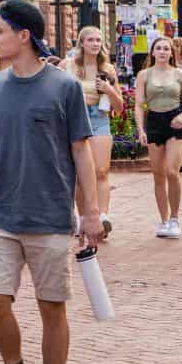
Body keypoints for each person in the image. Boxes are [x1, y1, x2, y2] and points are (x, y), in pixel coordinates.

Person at [0, 0, 101, 364]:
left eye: (0, 31)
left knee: (51, 308)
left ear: (25, 36)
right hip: (1, 211)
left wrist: (92, 212)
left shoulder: (64, 87)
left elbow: (81, 149)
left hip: (50, 214)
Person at [134, 33, 182, 236]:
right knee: (158, 174)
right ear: (152, 52)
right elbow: (139, 105)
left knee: (171, 171)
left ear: (172, 53)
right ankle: (164, 219)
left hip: (175, 122)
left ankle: (175, 218)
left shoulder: (180, 74)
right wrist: (141, 129)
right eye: (158, 48)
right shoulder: (144, 75)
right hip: (154, 122)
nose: (162, 52)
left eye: (166, 49)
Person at [62, 27, 118, 236]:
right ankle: (84, 216)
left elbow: (119, 105)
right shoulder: (68, 67)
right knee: (79, 174)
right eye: (91, 40)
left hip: (98, 118)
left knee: (101, 171)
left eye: (98, 40)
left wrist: (109, 90)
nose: (95, 44)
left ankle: (102, 216)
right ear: (82, 43)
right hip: (75, 118)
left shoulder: (108, 69)